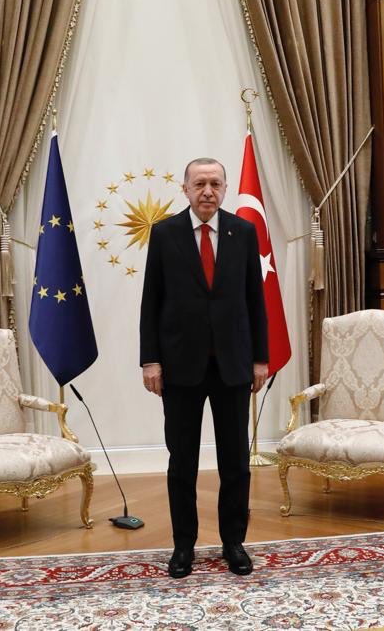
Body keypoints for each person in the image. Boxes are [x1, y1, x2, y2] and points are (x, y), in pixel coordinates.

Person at [140, 157, 268, 579]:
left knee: (236, 462)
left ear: (225, 188)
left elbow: (255, 301)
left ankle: (234, 543)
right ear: (186, 189)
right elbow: (151, 303)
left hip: (233, 365)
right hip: (180, 368)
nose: (207, 191)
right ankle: (183, 547)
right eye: (200, 184)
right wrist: (151, 360)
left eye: (215, 183)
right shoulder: (164, 234)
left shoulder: (244, 233)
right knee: (183, 462)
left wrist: (260, 359)